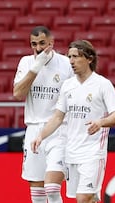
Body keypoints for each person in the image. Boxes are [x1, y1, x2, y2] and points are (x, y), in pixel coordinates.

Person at [31, 40, 115, 203]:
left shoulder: (103, 84)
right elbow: (58, 117)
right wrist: (40, 136)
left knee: (83, 198)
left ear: (89, 59)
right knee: (87, 199)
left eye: (76, 57)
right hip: (71, 152)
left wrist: (100, 123)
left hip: (93, 152)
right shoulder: (68, 85)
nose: (71, 61)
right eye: (69, 57)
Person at [13, 26, 74, 203]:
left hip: (59, 129)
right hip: (33, 129)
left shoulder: (65, 63)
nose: (38, 48)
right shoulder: (26, 62)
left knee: (53, 188)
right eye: (34, 44)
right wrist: (36, 67)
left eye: (42, 43)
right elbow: (18, 93)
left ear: (51, 43)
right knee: (37, 191)